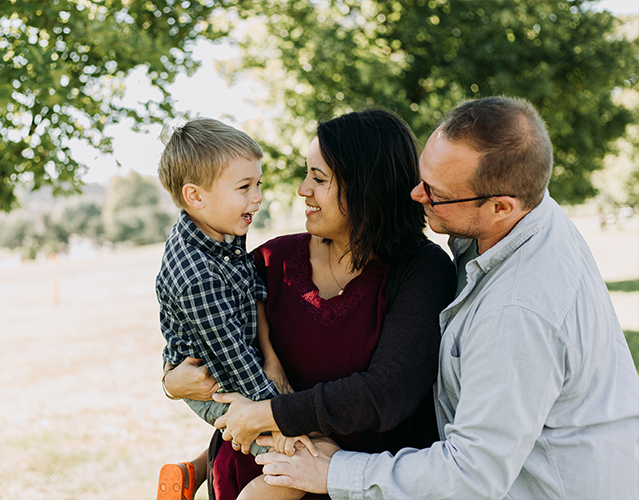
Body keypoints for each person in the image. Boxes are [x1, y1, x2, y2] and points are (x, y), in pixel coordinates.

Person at [254, 96, 639, 499]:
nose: (415, 194)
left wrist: (333, 473)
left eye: (436, 194)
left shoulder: (518, 310)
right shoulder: (524, 207)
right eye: (422, 177)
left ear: (500, 206)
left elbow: (471, 475)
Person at [163, 108, 456, 500]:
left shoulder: (422, 272)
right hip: (249, 477)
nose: (303, 189)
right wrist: (169, 380)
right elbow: (199, 328)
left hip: (361, 485)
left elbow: (387, 392)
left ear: (365, 187)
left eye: (318, 178)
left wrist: (269, 414)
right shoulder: (272, 259)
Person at [154, 118, 315, 499]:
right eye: (245, 187)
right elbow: (232, 358)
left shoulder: (223, 229)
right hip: (214, 383)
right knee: (294, 461)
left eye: (257, 184)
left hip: (241, 362)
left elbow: (251, 290)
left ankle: (192, 474)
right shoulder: (196, 273)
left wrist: (272, 360)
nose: (257, 197)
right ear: (195, 196)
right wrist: (278, 414)